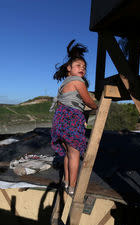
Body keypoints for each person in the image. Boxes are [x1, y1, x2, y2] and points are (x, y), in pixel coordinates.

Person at [50, 40, 98, 196]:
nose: (82, 69)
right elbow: (88, 101)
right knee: (75, 153)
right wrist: (97, 107)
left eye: (84, 67)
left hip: (60, 118)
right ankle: (72, 187)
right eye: (79, 66)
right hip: (71, 118)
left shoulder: (64, 83)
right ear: (69, 68)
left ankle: (65, 182)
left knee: (68, 153)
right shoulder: (78, 81)